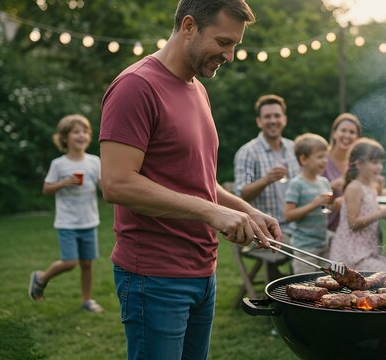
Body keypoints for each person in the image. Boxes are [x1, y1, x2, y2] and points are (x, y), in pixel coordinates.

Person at [99, 1, 280, 359]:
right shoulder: (136, 87)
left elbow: (197, 180)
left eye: (235, 46)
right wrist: (211, 214)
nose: (229, 55)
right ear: (188, 26)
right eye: (223, 42)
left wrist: (246, 210)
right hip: (154, 277)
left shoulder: (198, 89)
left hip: (201, 271)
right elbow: (117, 183)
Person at [28, 114, 104, 314]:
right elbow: (46, 189)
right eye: (76, 132)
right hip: (67, 222)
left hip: (89, 220)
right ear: (64, 138)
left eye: (85, 132)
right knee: (70, 262)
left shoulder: (94, 161)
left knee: (87, 264)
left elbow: (104, 186)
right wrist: (63, 183)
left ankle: (87, 300)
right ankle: (41, 277)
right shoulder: (59, 164)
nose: (82, 135)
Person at [329, 138, 386, 272]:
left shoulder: (370, 186)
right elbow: (353, 223)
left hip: (366, 252)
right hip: (351, 256)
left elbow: (368, 209)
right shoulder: (354, 188)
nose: (379, 167)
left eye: (380, 162)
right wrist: (381, 213)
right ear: (359, 164)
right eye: (374, 162)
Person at [234, 94, 300, 236]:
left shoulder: (293, 148)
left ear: (285, 119)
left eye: (277, 116)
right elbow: (241, 194)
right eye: (267, 117)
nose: (273, 120)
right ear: (259, 121)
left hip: (297, 225)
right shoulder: (248, 152)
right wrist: (266, 180)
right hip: (266, 230)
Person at [284, 133, 334, 274]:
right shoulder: (296, 184)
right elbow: (288, 215)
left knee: (324, 282)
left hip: (323, 244)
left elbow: (326, 208)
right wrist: (313, 204)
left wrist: (334, 205)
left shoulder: (324, 182)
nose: (325, 161)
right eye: (320, 157)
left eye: (325, 157)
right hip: (305, 248)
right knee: (305, 284)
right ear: (304, 159)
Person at [322, 113, 362, 232]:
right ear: (334, 133)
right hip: (325, 229)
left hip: (351, 229)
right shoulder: (321, 159)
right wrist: (331, 186)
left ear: (357, 138)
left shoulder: (358, 164)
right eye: (343, 130)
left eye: (352, 132)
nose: (347, 135)